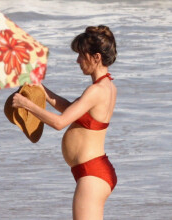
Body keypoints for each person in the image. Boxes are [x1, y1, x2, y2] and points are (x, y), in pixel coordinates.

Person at [12, 25, 118, 220]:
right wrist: (41, 89)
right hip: (94, 171)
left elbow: (60, 122)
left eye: (81, 55)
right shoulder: (106, 86)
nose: (78, 60)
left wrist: (26, 104)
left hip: (92, 173)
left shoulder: (96, 91)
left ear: (96, 57)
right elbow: (71, 110)